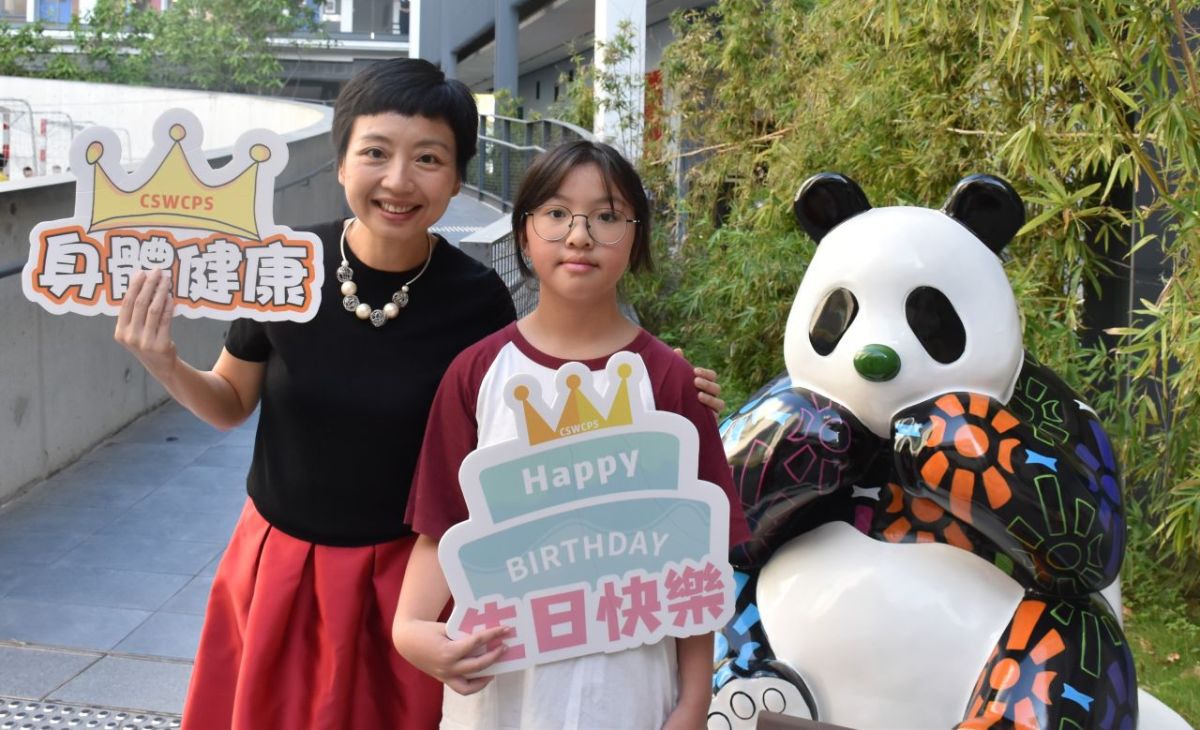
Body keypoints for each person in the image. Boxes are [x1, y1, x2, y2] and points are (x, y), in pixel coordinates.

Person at [114, 60, 725, 730]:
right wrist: (164, 362)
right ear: (340, 162)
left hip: (413, 579)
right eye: (375, 152)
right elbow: (230, 402)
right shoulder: (286, 266)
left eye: (428, 158)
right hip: (285, 566)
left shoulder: (478, 300)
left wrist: (659, 395)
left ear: (457, 177)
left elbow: (527, 407)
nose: (399, 180)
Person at [393, 140, 751, 730]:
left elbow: (697, 555)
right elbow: (444, 526)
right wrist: (410, 629)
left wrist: (693, 702)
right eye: (557, 213)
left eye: (607, 216)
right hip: (503, 698)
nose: (579, 235)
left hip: (632, 696)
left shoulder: (667, 380)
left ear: (635, 237)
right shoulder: (477, 373)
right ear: (524, 232)